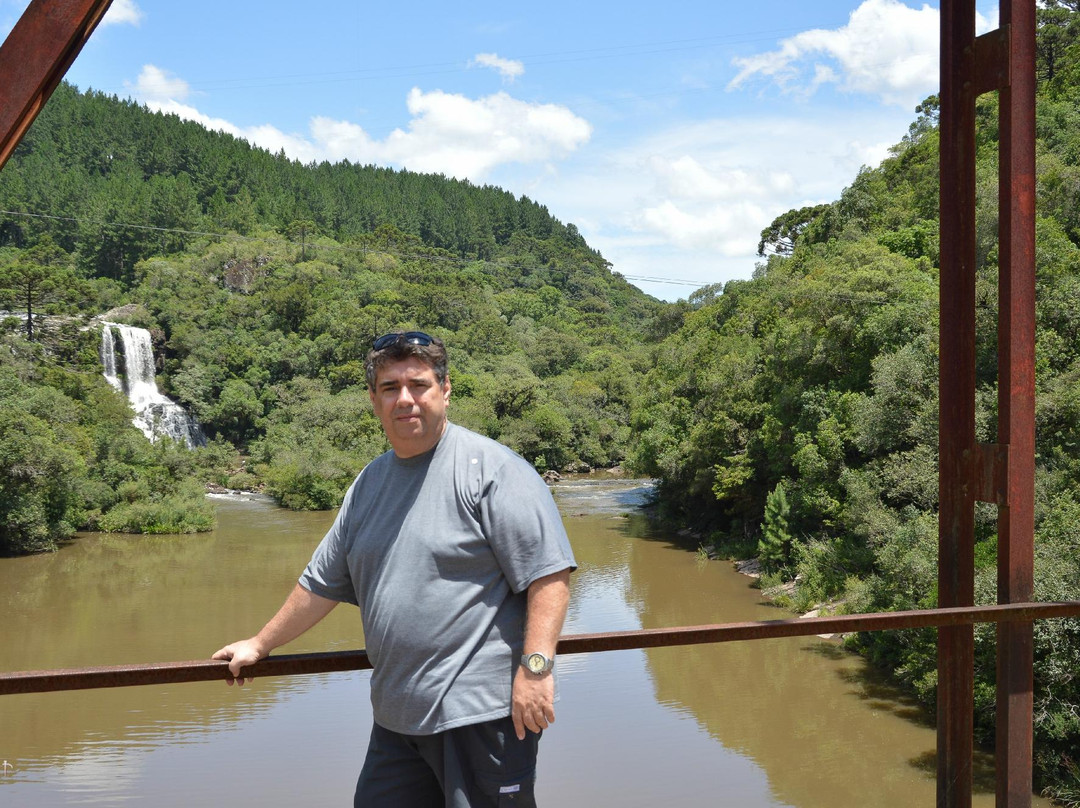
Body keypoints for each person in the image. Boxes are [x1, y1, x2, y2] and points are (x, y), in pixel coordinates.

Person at [213, 330, 576, 808]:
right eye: (390, 387)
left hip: (481, 719)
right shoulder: (369, 482)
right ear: (374, 399)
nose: (405, 399)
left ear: (445, 390)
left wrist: (535, 671)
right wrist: (261, 643)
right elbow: (321, 583)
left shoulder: (492, 471)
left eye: (419, 384)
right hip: (396, 720)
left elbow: (549, 576)